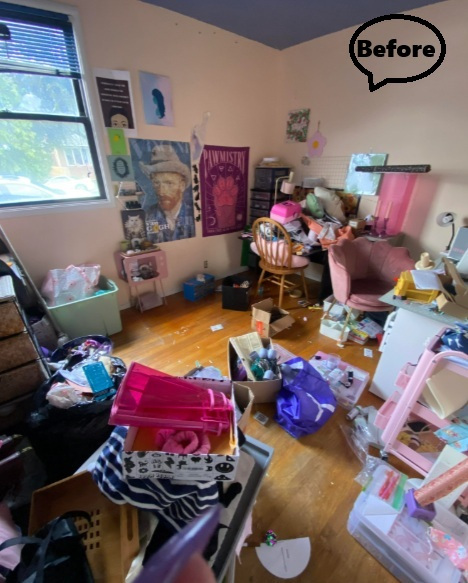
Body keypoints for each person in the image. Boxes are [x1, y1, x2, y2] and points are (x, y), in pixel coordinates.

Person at [139, 144, 195, 243]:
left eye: (169, 183)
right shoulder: (147, 217)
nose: (161, 191)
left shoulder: (192, 214)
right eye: (156, 183)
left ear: (182, 185)